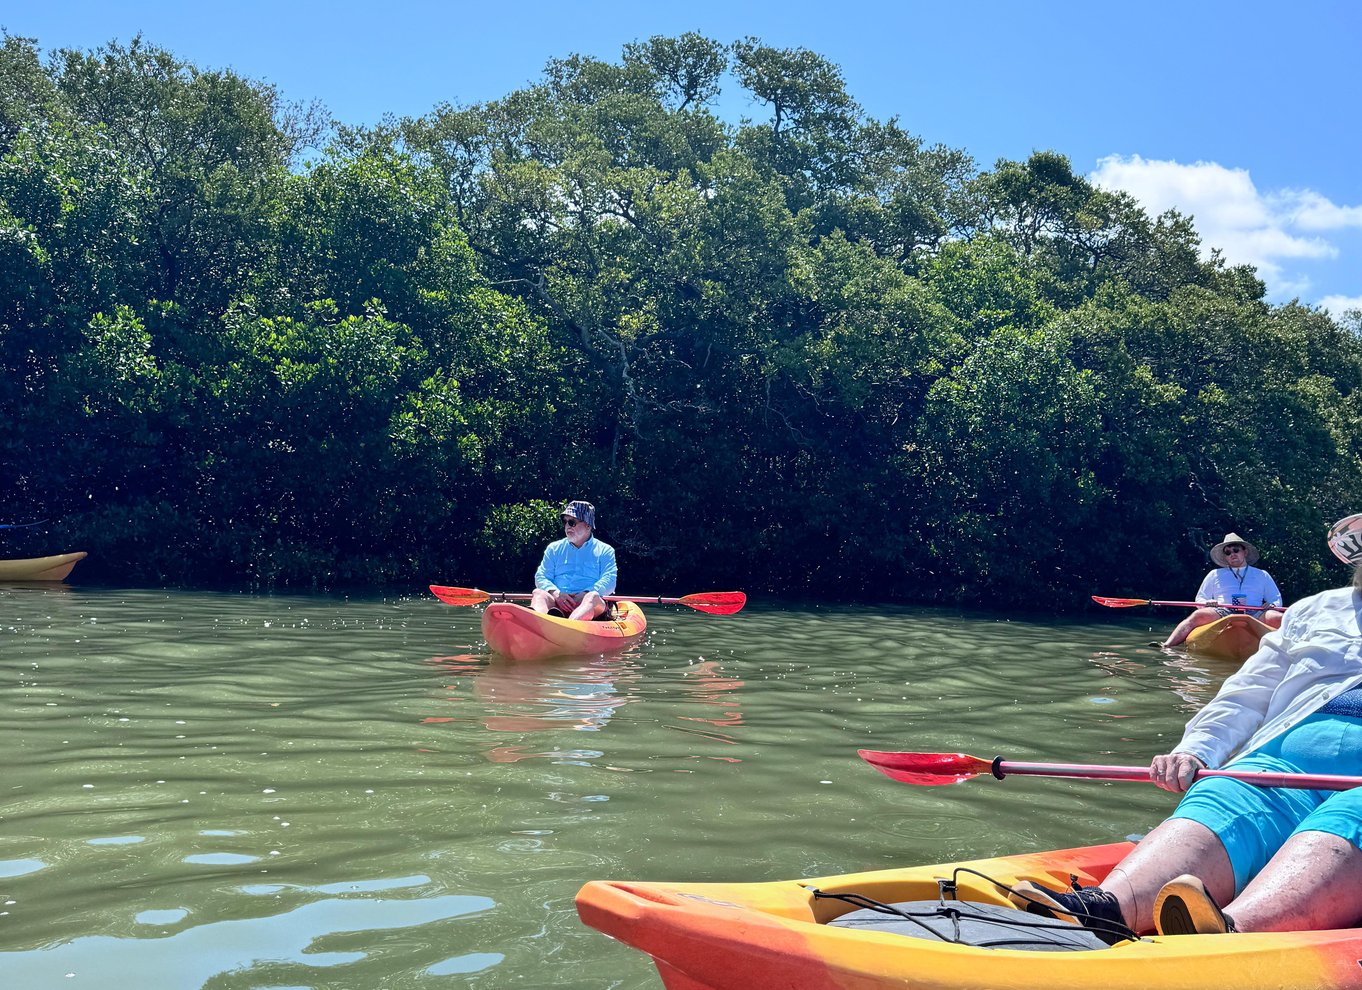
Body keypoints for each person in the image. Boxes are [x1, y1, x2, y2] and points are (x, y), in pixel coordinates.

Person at [1011, 513, 1362, 939]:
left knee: (1353, 813)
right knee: (1227, 789)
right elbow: (1248, 690)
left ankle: (1233, 930)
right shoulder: (1315, 610)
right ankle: (1108, 907)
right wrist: (1197, 749)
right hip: (1281, 764)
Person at [1162, 532, 1284, 647]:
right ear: (1225, 557)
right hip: (1223, 611)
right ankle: (1167, 645)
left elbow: (1275, 599)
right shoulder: (1214, 574)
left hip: (1255, 612)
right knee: (1197, 616)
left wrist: (1272, 605)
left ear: (1245, 552)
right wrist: (1206, 603)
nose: (1232, 554)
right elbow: (1200, 598)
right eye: (1228, 552)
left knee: (1280, 618)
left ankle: (1296, 650)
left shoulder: (1262, 575)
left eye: (1236, 550)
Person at [530, 500, 617, 621]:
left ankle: (569, 627)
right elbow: (541, 576)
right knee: (538, 593)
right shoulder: (553, 548)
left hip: (592, 605)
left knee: (592, 596)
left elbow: (610, 581)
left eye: (572, 522)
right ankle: (538, 625)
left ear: (588, 525)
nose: (567, 526)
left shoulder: (605, 550)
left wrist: (585, 594)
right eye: (565, 522)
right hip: (557, 602)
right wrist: (556, 594)